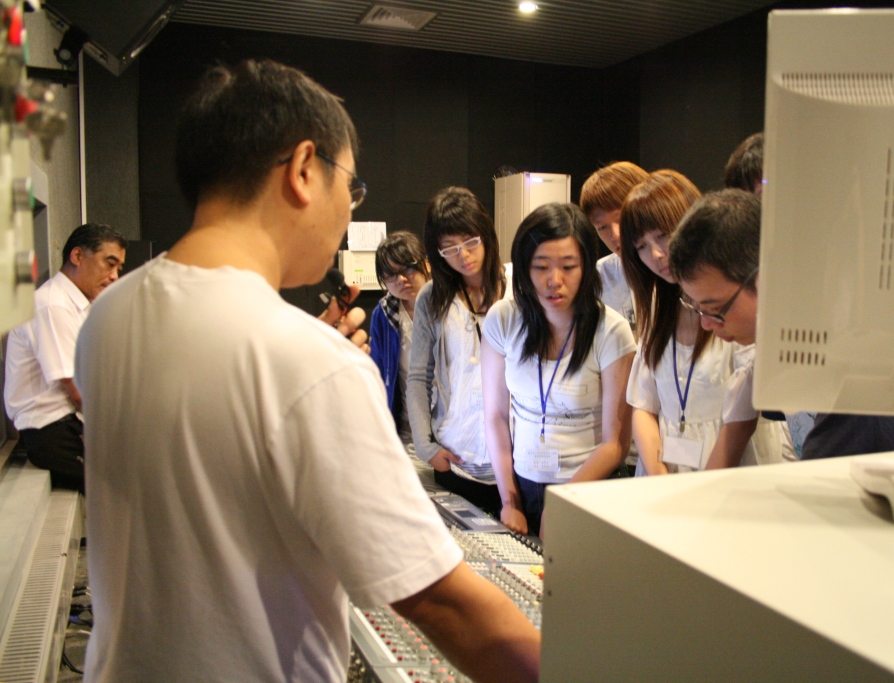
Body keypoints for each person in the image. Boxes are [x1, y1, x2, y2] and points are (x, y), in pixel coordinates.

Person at [74, 60, 539, 683]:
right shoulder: (312, 362)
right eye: (351, 186)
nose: (348, 208)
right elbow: (439, 602)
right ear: (301, 171)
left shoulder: (108, 317)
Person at [669, 189, 894, 460]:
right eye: (698, 309)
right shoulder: (785, 352)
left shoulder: (853, 372)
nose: (707, 324)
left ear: (767, 278)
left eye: (715, 309)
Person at [619, 171, 791, 475]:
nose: (656, 254)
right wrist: (659, 478)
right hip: (668, 471)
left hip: (731, 471)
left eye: (662, 235)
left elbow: (741, 421)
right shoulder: (658, 306)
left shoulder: (737, 306)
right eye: (641, 246)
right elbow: (643, 404)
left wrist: (698, 492)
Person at [482, 203, 635, 537]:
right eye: (541, 267)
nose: (555, 280)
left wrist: (562, 504)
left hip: (590, 489)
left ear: (586, 267)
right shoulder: (502, 319)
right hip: (523, 485)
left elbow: (616, 444)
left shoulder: (611, 331)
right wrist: (509, 500)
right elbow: (495, 416)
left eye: (568, 266)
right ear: (524, 267)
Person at [408, 187, 512, 515]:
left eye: (470, 242)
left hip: (516, 457)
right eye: (449, 248)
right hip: (455, 454)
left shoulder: (517, 286)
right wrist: (425, 447)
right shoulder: (432, 297)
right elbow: (418, 377)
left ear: (486, 234)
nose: (463, 255)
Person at [4, 222, 126, 492]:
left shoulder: (81, 306)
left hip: (72, 424)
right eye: (109, 264)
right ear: (78, 256)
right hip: (50, 433)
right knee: (130, 486)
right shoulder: (52, 304)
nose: (115, 276)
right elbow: (78, 390)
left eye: (119, 268)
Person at [370, 231, 430, 443]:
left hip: (450, 428)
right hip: (405, 428)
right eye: (391, 275)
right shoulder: (384, 313)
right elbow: (377, 373)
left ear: (427, 264)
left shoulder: (449, 304)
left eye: (408, 268)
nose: (401, 280)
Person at [578, 161, 650, 329]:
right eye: (602, 227)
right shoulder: (598, 278)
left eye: (621, 219)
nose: (615, 235)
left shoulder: (679, 272)